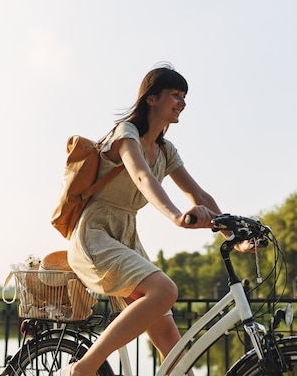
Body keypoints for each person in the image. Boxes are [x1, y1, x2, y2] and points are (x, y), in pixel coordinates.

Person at [64, 63, 246, 376]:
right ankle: (83, 369)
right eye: (175, 94)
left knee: (166, 332)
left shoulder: (165, 150)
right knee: (165, 291)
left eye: (185, 96)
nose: (182, 102)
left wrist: (235, 235)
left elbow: (199, 196)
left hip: (126, 239)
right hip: (95, 235)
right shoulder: (125, 135)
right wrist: (177, 216)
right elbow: (141, 176)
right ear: (151, 99)